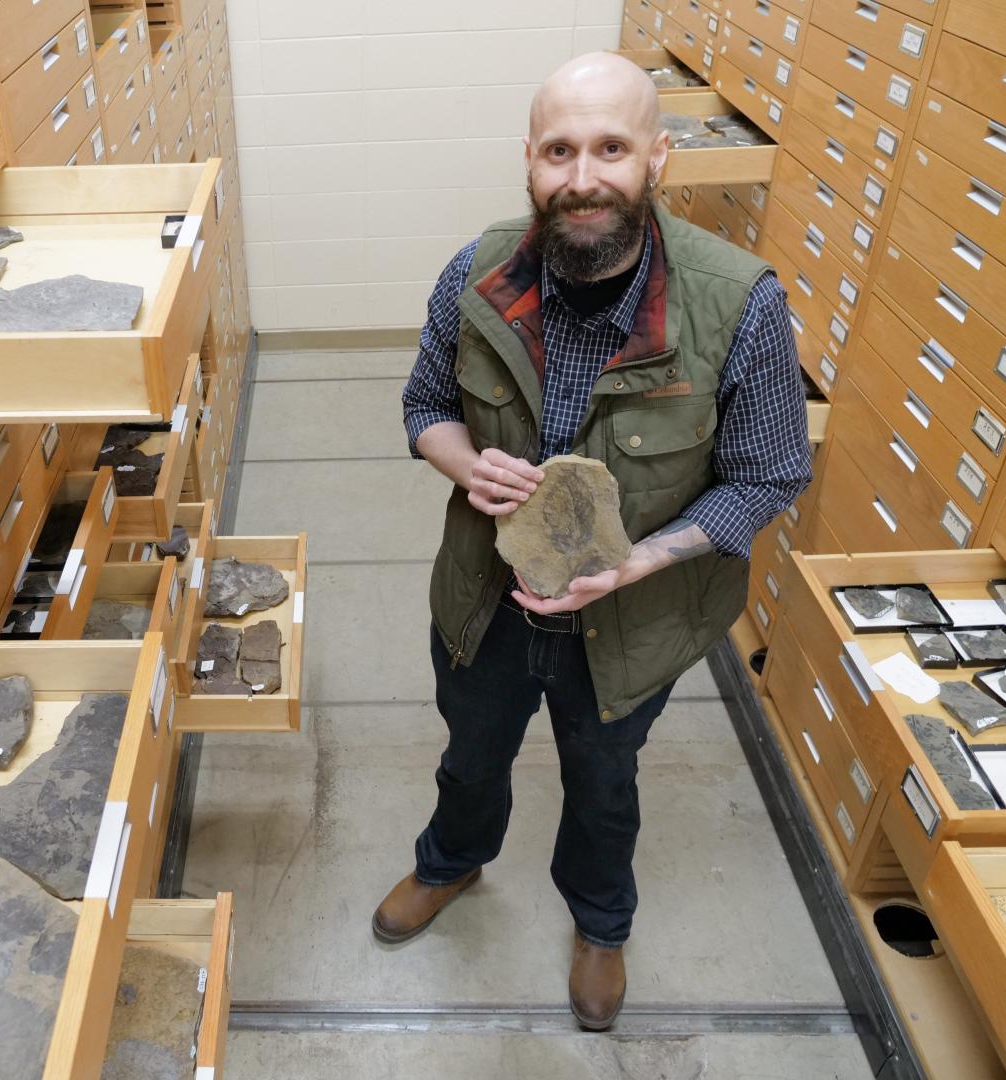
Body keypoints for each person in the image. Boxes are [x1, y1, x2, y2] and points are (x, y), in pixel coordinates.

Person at [376, 51, 813, 1032]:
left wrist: (640, 561)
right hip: (487, 601)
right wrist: (463, 464)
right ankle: (452, 861)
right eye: (560, 151)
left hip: (632, 621)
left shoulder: (738, 302)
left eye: (610, 148)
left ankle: (601, 923)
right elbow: (425, 406)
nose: (583, 178)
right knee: (472, 754)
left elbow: (771, 472)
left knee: (604, 781)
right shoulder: (477, 272)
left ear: (657, 155)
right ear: (529, 161)